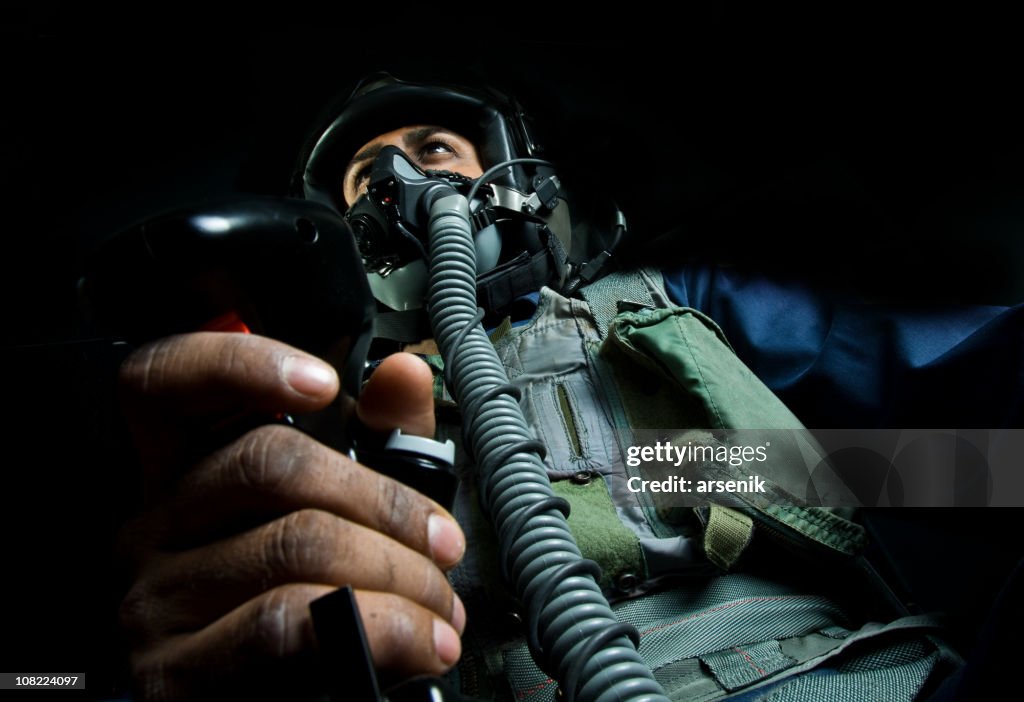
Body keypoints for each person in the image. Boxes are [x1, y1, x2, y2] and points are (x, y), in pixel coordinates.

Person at [114, 73, 1020, 701]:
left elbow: (971, 425)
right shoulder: (317, 416)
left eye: (434, 147)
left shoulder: (666, 305)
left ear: (517, 182)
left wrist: (704, 470)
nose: (404, 181)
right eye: (367, 179)